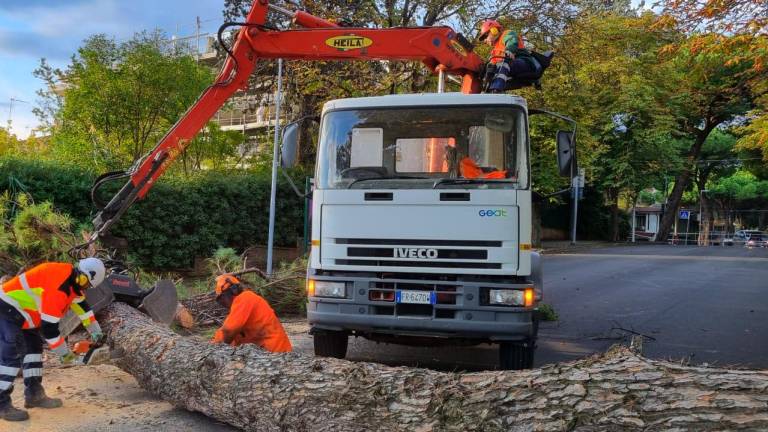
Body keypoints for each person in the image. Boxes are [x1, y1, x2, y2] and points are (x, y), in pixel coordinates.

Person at [0, 258, 105, 422]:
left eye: (86, 285)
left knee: (34, 350)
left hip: (24, 315)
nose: (82, 285)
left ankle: (34, 394)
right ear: (78, 270)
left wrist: (95, 330)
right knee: (11, 355)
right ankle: (2, 404)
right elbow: (49, 329)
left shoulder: (73, 285)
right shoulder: (58, 284)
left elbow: (83, 307)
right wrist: (65, 354)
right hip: (6, 309)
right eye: (82, 279)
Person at [211, 274, 292, 353]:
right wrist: (214, 343)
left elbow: (229, 330)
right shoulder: (242, 304)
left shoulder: (245, 298)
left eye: (222, 300)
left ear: (230, 292)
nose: (224, 304)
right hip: (269, 351)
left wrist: (221, 349)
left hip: (275, 351)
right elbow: (224, 331)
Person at [479, 19, 539, 93]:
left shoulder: (507, 34)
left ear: (493, 30)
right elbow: (492, 64)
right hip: (511, 65)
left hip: (524, 62)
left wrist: (510, 51)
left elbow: (511, 41)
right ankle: (486, 93)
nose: (485, 40)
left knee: (503, 63)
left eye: (485, 36)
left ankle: (495, 91)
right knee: (491, 70)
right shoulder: (494, 51)